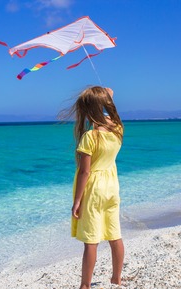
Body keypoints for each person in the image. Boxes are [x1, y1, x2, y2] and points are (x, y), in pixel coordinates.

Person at [66, 86, 124, 288]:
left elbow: (85, 172)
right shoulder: (117, 127)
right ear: (106, 105)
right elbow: (110, 99)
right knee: (114, 234)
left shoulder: (90, 137)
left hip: (94, 190)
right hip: (112, 187)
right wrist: (106, 95)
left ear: (87, 110)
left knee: (91, 240)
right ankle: (116, 279)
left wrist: (77, 201)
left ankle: (85, 285)